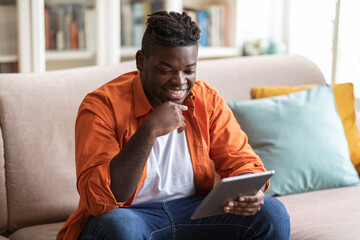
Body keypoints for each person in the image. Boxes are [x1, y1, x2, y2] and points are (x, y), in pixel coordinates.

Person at [57, 10, 290, 240]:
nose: (180, 81)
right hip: (130, 215)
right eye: (166, 70)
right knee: (121, 229)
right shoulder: (101, 106)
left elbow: (242, 161)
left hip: (194, 212)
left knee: (272, 213)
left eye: (189, 70)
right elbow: (101, 200)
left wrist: (252, 192)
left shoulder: (206, 99)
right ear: (141, 61)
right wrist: (148, 131)